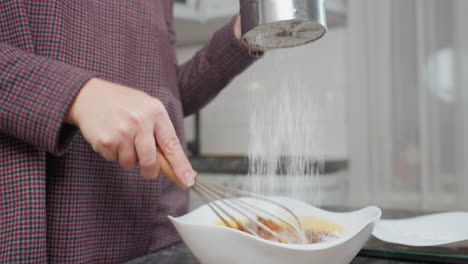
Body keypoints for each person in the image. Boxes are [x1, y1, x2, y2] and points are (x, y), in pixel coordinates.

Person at [0, 1, 261, 262]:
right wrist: (74, 95)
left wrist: (241, 36)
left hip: (154, 227)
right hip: (45, 217)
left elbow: (168, 97)